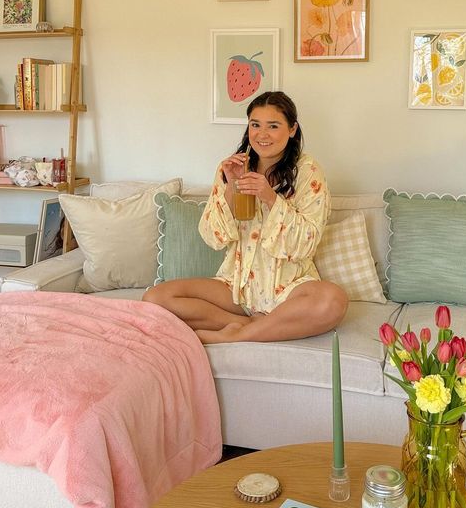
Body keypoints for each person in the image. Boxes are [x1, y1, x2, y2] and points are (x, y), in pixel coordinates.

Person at [142, 91, 348, 343]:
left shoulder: (308, 171)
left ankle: (233, 336)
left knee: (333, 300)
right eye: (255, 125)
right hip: (236, 285)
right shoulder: (232, 167)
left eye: (273, 126)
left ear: (292, 129)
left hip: (289, 287)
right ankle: (250, 324)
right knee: (155, 298)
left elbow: (304, 245)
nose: (262, 134)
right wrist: (231, 186)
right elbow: (212, 236)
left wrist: (270, 197)